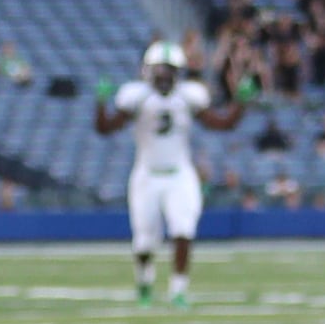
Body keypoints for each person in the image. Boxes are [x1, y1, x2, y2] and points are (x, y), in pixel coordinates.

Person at [98, 40, 241, 306]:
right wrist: (100, 103)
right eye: (160, 69)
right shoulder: (137, 96)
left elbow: (222, 124)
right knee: (143, 239)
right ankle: (144, 284)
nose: (164, 75)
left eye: (170, 69)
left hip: (179, 174)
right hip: (147, 173)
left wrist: (241, 103)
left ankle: (178, 290)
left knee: (183, 230)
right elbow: (106, 128)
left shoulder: (188, 96)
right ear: (148, 70)